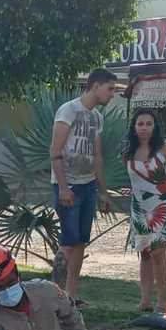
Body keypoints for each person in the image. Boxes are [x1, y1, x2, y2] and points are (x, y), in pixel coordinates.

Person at [50, 69, 119, 305]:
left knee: (80, 241)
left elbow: (97, 155)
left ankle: (71, 294)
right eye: (110, 88)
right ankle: (52, 295)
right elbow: (55, 151)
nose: (112, 94)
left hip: (88, 185)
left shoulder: (97, 117)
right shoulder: (68, 110)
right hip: (68, 185)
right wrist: (62, 187)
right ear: (96, 85)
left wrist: (103, 191)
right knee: (68, 243)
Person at [123, 108, 166, 314]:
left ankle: (162, 301)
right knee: (145, 254)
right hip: (140, 208)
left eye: (149, 123)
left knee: (159, 252)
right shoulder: (129, 151)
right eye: (140, 123)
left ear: (155, 126)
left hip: (164, 206)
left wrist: (162, 188)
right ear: (134, 127)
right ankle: (145, 300)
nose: (144, 128)